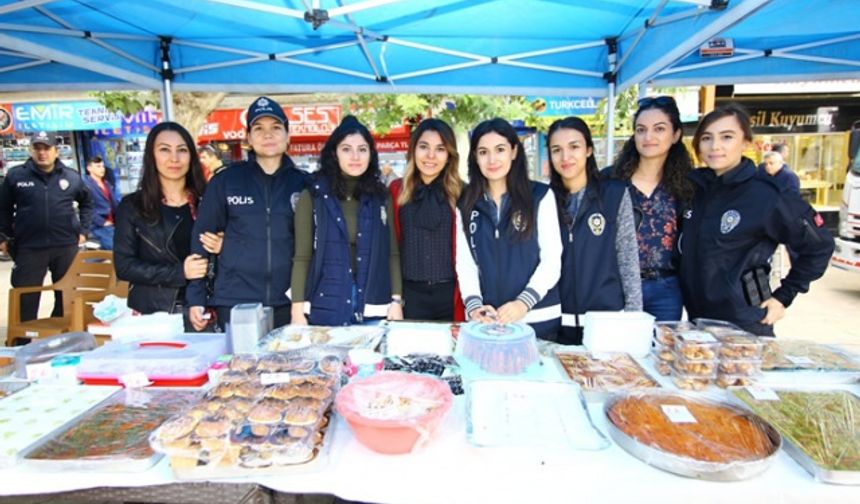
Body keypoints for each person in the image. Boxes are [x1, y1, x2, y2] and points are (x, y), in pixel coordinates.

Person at [680, 104, 834, 336]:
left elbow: (819, 244)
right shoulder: (693, 189)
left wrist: (784, 296)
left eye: (727, 137)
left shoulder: (766, 195)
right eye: (707, 138)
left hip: (745, 322)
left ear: (745, 143)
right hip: (697, 320)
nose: (715, 146)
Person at [187, 96, 308, 331]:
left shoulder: (306, 184)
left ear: (288, 136)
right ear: (248, 138)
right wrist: (196, 297)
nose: (268, 135)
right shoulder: (226, 181)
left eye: (276, 128)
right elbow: (201, 240)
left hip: (291, 304)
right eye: (258, 128)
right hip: (236, 301)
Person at [455, 118, 562, 340]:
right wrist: (474, 306)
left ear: (514, 151)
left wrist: (524, 302)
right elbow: (465, 262)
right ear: (475, 157)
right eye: (483, 152)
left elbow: (552, 259)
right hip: (488, 322)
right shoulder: (465, 203)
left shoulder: (540, 196)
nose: (492, 159)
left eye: (500, 149)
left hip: (537, 319)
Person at [291, 116, 403, 325]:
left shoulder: (381, 197)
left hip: (374, 306)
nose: (355, 156)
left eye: (362, 149)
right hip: (327, 305)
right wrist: (297, 310)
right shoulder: (314, 196)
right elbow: (302, 257)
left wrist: (396, 300)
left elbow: (392, 254)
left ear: (371, 154)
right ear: (334, 153)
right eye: (346, 149)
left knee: (371, 359)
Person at [547, 117, 642, 344]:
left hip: (607, 320)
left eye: (574, 147)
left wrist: (633, 317)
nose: (565, 157)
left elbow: (627, 257)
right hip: (559, 320)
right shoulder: (545, 200)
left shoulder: (614, 194)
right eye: (556, 150)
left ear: (589, 149)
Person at [114, 122, 222, 318]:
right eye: (164, 150)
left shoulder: (209, 201)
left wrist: (224, 246)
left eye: (182, 150)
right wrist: (180, 272)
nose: (174, 158)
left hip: (207, 310)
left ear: (191, 156)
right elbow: (124, 267)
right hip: (155, 315)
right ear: (151, 155)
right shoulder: (132, 207)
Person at [606, 95, 694, 322]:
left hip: (666, 288)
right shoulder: (611, 180)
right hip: (618, 285)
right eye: (641, 129)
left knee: (661, 353)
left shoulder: (686, 185)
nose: (648, 137)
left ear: (675, 135)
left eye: (659, 129)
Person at [0, 131, 94, 322]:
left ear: (56, 151)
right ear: (31, 150)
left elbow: (87, 203)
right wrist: (4, 237)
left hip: (65, 246)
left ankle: (60, 335)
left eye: (47, 148)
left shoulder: (71, 177)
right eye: (38, 148)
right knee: (25, 297)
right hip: (29, 247)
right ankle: (22, 342)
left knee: (67, 296)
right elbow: (3, 208)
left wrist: (83, 231)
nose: (42, 153)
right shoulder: (16, 175)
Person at [390, 118, 465, 321]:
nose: (431, 156)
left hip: (452, 295)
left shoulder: (462, 193)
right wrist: (394, 299)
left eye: (440, 149)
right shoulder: (397, 190)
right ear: (413, 150)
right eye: (424, 147)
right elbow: (391, 250)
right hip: (409, 296)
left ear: (449, 154)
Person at [84, 156, 120, 250]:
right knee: (114, 252)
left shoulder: (106, 183)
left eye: (103, 166)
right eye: (98, 166)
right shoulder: (85, 185)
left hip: (112, 223)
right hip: (99, 225)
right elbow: (85, 208)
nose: (102, 169)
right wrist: (102, 222)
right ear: (89, 168)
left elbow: (114, 203)